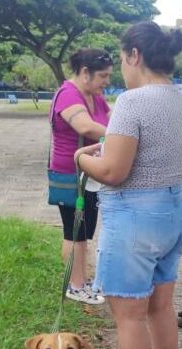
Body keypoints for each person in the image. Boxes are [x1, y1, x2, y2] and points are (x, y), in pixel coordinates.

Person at [74, 22, 182, 349]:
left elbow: (113, 172)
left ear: (134, 55)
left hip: (136, 217)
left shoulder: (132, 102)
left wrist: (80, 159)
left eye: (122, 57)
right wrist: (105, 152)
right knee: (161, 306)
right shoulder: (180, 99)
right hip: (174, 209)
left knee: (128, 314)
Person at [49, 48, 113, 304]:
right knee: (73, 231)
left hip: (90, 173)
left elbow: (112, 119)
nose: (107, 82)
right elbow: (85, 126)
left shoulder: (95, 95)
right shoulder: (67, 94)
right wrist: (121, 136)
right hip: (70, 174)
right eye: (103, 76)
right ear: (85, 72)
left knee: (85, 231)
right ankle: (74, 286)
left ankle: (81, 280)